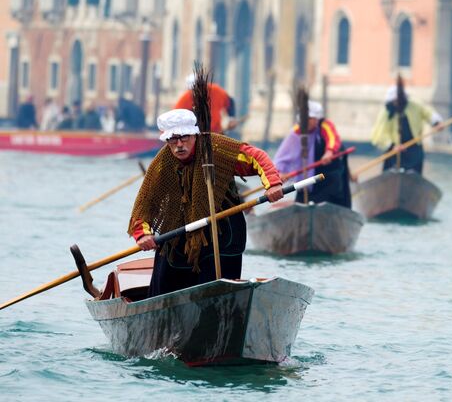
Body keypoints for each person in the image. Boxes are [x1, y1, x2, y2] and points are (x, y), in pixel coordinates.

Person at [129, 109, 284, 298]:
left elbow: (256, 157)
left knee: (219, 287)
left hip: (223, 231)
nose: (179, 145)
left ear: (194, 134)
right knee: (163, 283)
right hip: (180, 231)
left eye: (184, 138)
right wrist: (142, 234)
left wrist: (272, 184)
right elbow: (145, 204)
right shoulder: (162, 164)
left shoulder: (217, 148)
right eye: (172, 140)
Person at [274, 100, 352, 208]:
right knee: (302, 202)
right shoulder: (297, 131)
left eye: (310, 118)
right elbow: (283, 155)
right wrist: (280, 173)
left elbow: (333, 139)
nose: (306, 121)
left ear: (317, 119)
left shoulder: (325, 125)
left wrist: (329, 152)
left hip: (328, 176)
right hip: (307, 179)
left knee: (334, 200)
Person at [371, 74, 441, 174]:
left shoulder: (415, 104)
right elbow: (380, 134)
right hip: (394, 150)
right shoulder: (387, 111)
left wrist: (436, 123)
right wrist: (393, 146)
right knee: (390, 171)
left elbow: (427, 112)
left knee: (414, 172)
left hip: (413, 147)